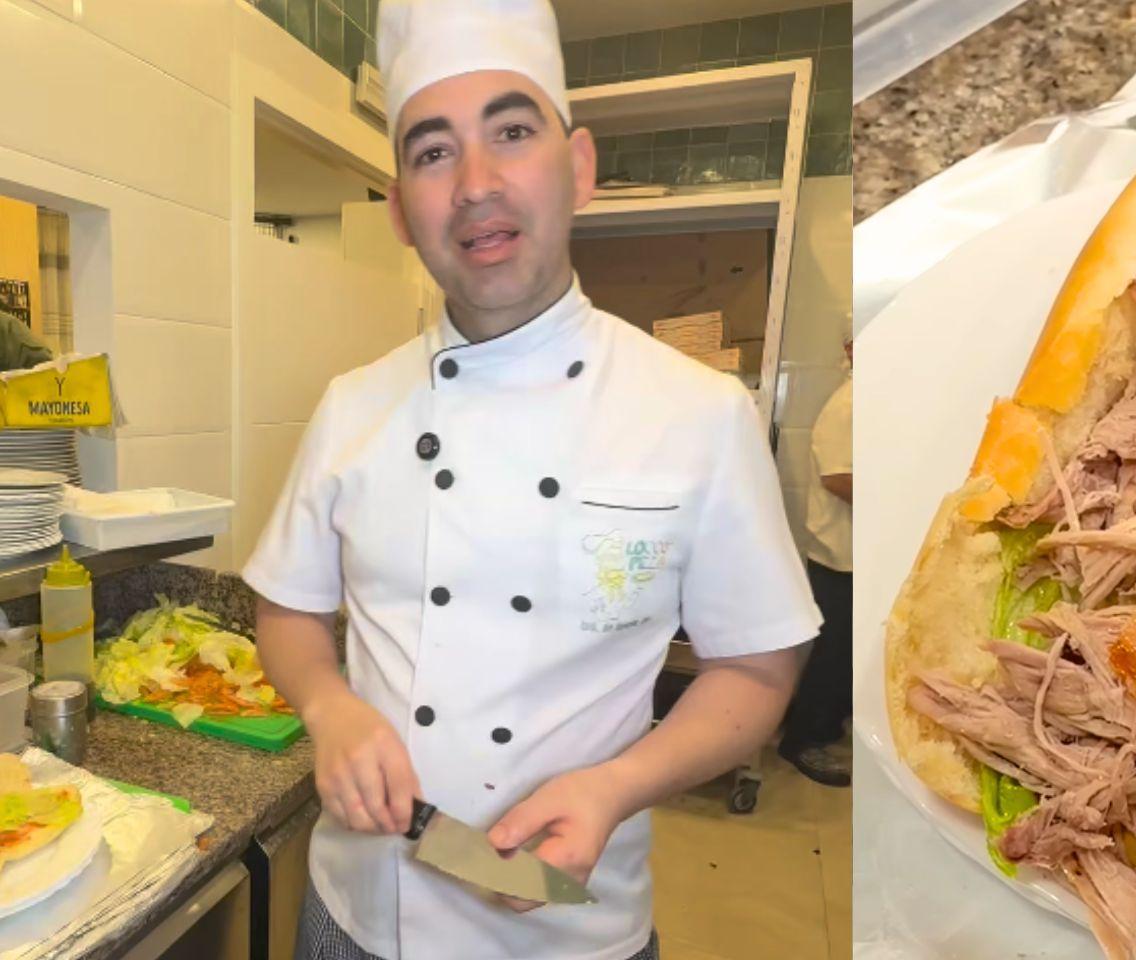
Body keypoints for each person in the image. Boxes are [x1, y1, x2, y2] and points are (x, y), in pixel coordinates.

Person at [243, 2, 822, 958]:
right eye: (432, 153)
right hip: (354, 909)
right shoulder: (351, 407)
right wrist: (329, 706)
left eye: (511, 132)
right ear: (399, 210)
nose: (475, 185)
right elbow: (290, 614)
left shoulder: (699, 413)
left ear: (579, 168)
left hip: (565, 930)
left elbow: (758, 669)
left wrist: (615, 787)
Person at [779, 334, 853, 786]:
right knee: (833, 655)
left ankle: (827, 725)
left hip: (850, 553)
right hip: (838, 556)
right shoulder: (849, 405)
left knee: (841, 654)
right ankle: (802, 740)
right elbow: (838, 478)